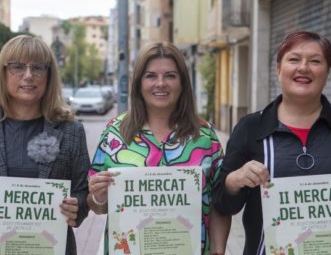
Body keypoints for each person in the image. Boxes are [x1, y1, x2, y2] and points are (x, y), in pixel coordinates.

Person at [212, 30, 331, 254]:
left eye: (315, 61)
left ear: (328, 71)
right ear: (278, 69)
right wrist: (235, 180)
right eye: (294, 59)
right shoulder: (250, 128)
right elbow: (222, 203)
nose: (303, 68)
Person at [0, 35, 90, 255]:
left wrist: (77, 207)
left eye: (38, 67)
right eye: (17, 67)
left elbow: (82, 192)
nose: (28, 75)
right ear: (2, 73)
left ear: (49, 76)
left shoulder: (71, 131)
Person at [87, 41, 231, 255]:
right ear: (138, 83)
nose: (160, 83)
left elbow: (220, 203)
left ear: (182, 82)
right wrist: (99, 196)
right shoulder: (114, 134)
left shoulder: (205, 136)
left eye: (170, 76)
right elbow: (96, 206)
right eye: (151, 76)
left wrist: (219, 250)